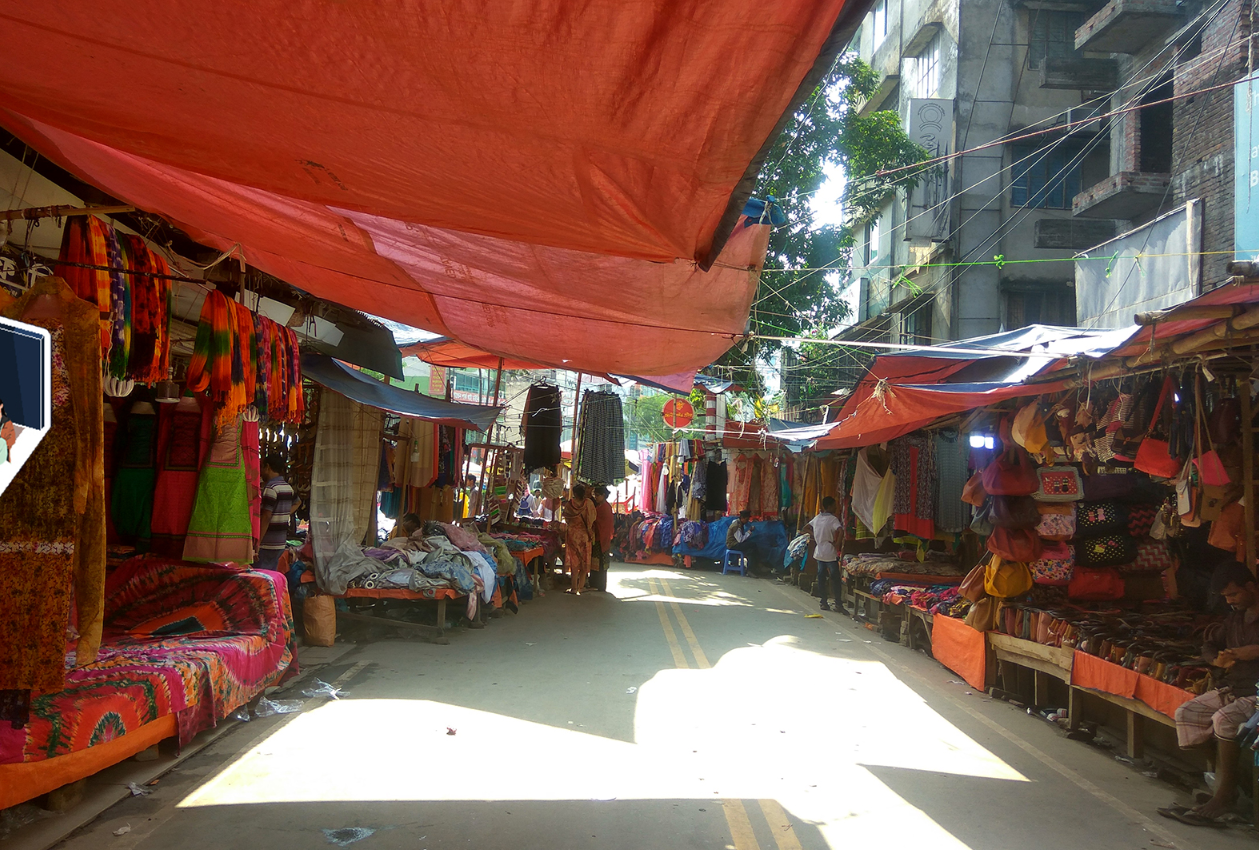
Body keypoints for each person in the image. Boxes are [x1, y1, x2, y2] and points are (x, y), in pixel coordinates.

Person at [1161, 561, 1259, 826]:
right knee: (1187, 713)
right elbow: (1209, 644)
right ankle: (1232, 784)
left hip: (1257, 693)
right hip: (1237, 687)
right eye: (1226, 597)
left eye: (1233, 594)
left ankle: (1225, 794)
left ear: (1250, 586)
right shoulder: (1236, 617)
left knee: (1224, 720)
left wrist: (1255, 650)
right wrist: (1217, 660)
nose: (1230, 601)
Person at [255, 454, 295, 571]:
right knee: (270, 573)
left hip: (267, 542)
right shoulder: (287, 487)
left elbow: (266, 516)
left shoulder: (271, 488)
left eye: (262, 467)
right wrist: (284, 513)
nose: (261, 471)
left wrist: (258, 542)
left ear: (267, 467)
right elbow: (297, 502)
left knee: (261, 575)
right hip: (280, 542)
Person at [808, 496, 843, 612]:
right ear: (829, 506)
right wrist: (837, 543)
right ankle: (838, 603)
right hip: (830, 551)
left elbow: (805, 528)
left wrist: (816, 536)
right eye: (834, 505)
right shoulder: (833, 519)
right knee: (835, 578)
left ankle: (823, 602)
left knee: (821, 577)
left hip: (819, 552)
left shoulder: (817, 518)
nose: (836, 507)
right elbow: (840, 530)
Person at [562, 483, 597, 595]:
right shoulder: (589, 504)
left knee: (574, 560)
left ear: (575, 493)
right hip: (585, 535)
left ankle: (573, 588)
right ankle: (581, 587)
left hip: (573, 534)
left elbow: (566, 518)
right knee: (584, 560)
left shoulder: (569, 504)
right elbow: (592, 518)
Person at [591, 485, 615, 591]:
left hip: (600, 538)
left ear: (603, 495)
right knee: (599, 562)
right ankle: (598, 584)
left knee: (599, 562)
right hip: (602, 538)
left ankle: (598, 584)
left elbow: (597, 521)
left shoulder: (603, 508)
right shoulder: (604, 506)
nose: (596, 497)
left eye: (597, 495)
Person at [726, 510, 758, 575]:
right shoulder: (736, 526)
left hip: (735, 543)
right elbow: (740, 540)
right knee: (753, 546)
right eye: (746, 519)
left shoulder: (739, 523)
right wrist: (749, 531)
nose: (747, 521)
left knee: (751, 549)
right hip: (733, 545)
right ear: (742, 518)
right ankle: (751, 569)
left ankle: (752, 567)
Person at [0, 397, 13, 464]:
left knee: (2, 442)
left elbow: (9, 441)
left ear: (1, 406)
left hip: (2, 451)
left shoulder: (7, 422)